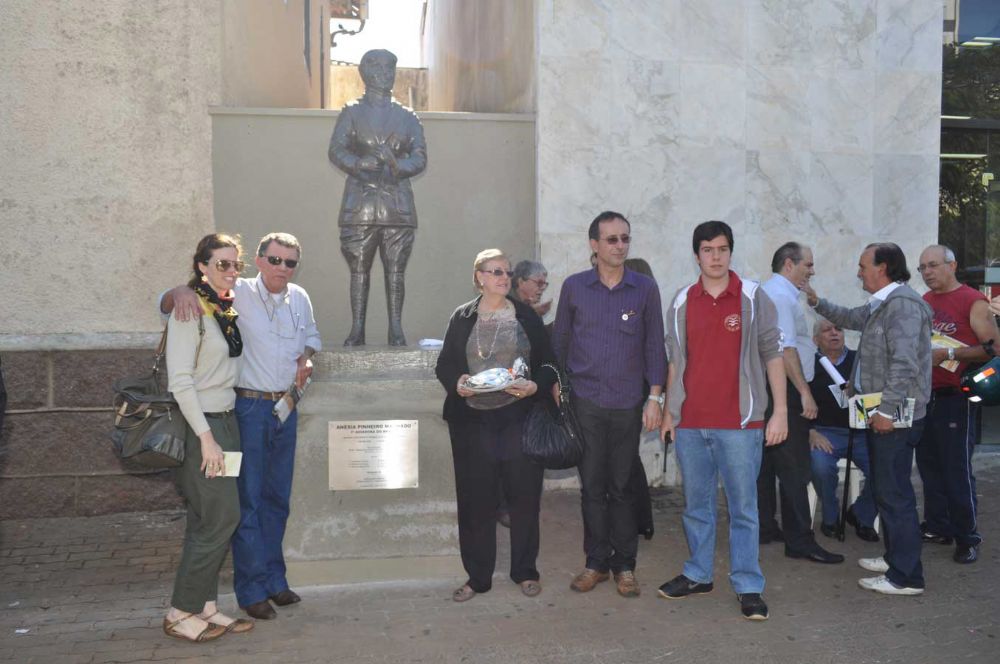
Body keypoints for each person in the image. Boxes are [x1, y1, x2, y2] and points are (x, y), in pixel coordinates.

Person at [162, 232, 321, 620]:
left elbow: (312, 337)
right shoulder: (236, 292)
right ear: (261, 260)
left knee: (276, 500)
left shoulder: (299, 297)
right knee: (245, 503)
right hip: (246, 410)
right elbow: (178, 302)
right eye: (275, 259)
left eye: (290, 262)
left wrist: (308, 358)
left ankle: (274, 581)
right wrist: (177, 292)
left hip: (286, 408)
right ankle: (250, 590)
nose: (282, 268)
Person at [658, 220, 787, 621]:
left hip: (741, 423)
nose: (716, 257)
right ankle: (698, 574)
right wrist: (668, 411)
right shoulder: (681, 300)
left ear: (731, 252)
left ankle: (748, 585)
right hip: (691, 423)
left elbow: (772, 354)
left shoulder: (752, 295)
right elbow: (675, 360)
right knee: (696, 506)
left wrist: (779, 411)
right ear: (696, 254)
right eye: (708, 250)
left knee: (744, 509)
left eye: (723, 249)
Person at [805, 242, 932, 595]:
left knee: (894, 494)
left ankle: (906, 577)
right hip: (882, 414)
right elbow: (849, 318)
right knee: (889, 490)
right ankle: (896, 558)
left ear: (884, 267)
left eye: (863, 266)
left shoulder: (902, 306)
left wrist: (886, 411)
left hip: (894, 417)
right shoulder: (882, 306)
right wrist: (816, 301)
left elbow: (905, 365)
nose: (859, 272)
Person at [552, 211, 667, 598]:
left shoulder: (644, 289)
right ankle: (595, 563)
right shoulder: (574, 288)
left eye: (625, 239)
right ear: (594, 245)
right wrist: (558, 386)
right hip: (585, 403)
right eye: (612, 239)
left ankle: (625, 566)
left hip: (627, 404)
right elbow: (560, 343)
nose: (620, 246)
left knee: (621, 487)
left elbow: (655, 345)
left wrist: (654, 397)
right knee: (592, 488)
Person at [435, 249, 558, 602]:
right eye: (495, 272)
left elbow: (548, 363)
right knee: (476, 501)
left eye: (506, 272)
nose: (504, 277)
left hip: (518, 418)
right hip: (472, 422)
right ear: (479, 277)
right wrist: (457, 382)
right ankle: (478, 576)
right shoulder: (462, 317)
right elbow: (445, 365)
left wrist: (535, 385)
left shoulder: (526, 317)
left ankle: (525, 570)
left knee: (523, 498)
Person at [162, 233, 252, 642]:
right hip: (204, 426)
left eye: (236, 265)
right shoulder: (190, 309)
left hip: (225, 421)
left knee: (205, 519)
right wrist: (206, 438)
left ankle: (207, 607)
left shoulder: (221, 307)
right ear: (202, 266)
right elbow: (181, 382)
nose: (231, 271)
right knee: (222, 518)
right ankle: (180, 611)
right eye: (222, 264)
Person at [328, 48, 427, 347]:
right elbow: (336, 150)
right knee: (359, 269)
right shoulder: (351, 112)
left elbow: (420, 157)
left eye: (390, 68)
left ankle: (395, 329)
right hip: (360, 204)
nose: (385, 73)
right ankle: (357, 329)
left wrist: (397, 165)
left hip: (397, 206)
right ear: (366, 73)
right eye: (378, 67)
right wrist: (359, 164)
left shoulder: (407, 116)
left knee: (396, 270)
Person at [758, 243, 844, 564]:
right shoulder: (780, 297)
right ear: (789, 264)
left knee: (768, 462)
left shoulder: (777, 293)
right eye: (808, 264)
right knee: (795, 468)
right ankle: (799, 541)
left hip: (774, 387)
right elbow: (785, 350)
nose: (812, 270)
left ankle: (766, 526)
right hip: (787, 389)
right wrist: (804, 392)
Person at [915, 245, 1000, 563]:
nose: (927, 272)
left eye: (933, 265)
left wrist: (950, 354)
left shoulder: (971, 301)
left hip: (957, 398)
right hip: (927, 396)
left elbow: (993, 347)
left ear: (952, 265)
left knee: (956, 469)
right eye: (922, 267)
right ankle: (938, 526)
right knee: (929, 466)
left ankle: (967, 536)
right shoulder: (924, 302)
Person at [808, 319, 879, 542]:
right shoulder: (809, 364)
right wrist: (810, 431)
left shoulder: (861, 360)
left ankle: (861, 514)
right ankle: (830, 516)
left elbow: (879, 390)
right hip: (824, 431)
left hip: (861, 432)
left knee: (885, 469)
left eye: (838, 328)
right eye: (826, 330)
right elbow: (796, 401)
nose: (834, 333)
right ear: (815, 339)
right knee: (820, 466)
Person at [623, 257, 658, 541]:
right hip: (638, 388)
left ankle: (638, 519)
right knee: (629, 457)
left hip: (634, 389)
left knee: (626, 458)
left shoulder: (640, 309)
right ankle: (641, 519)